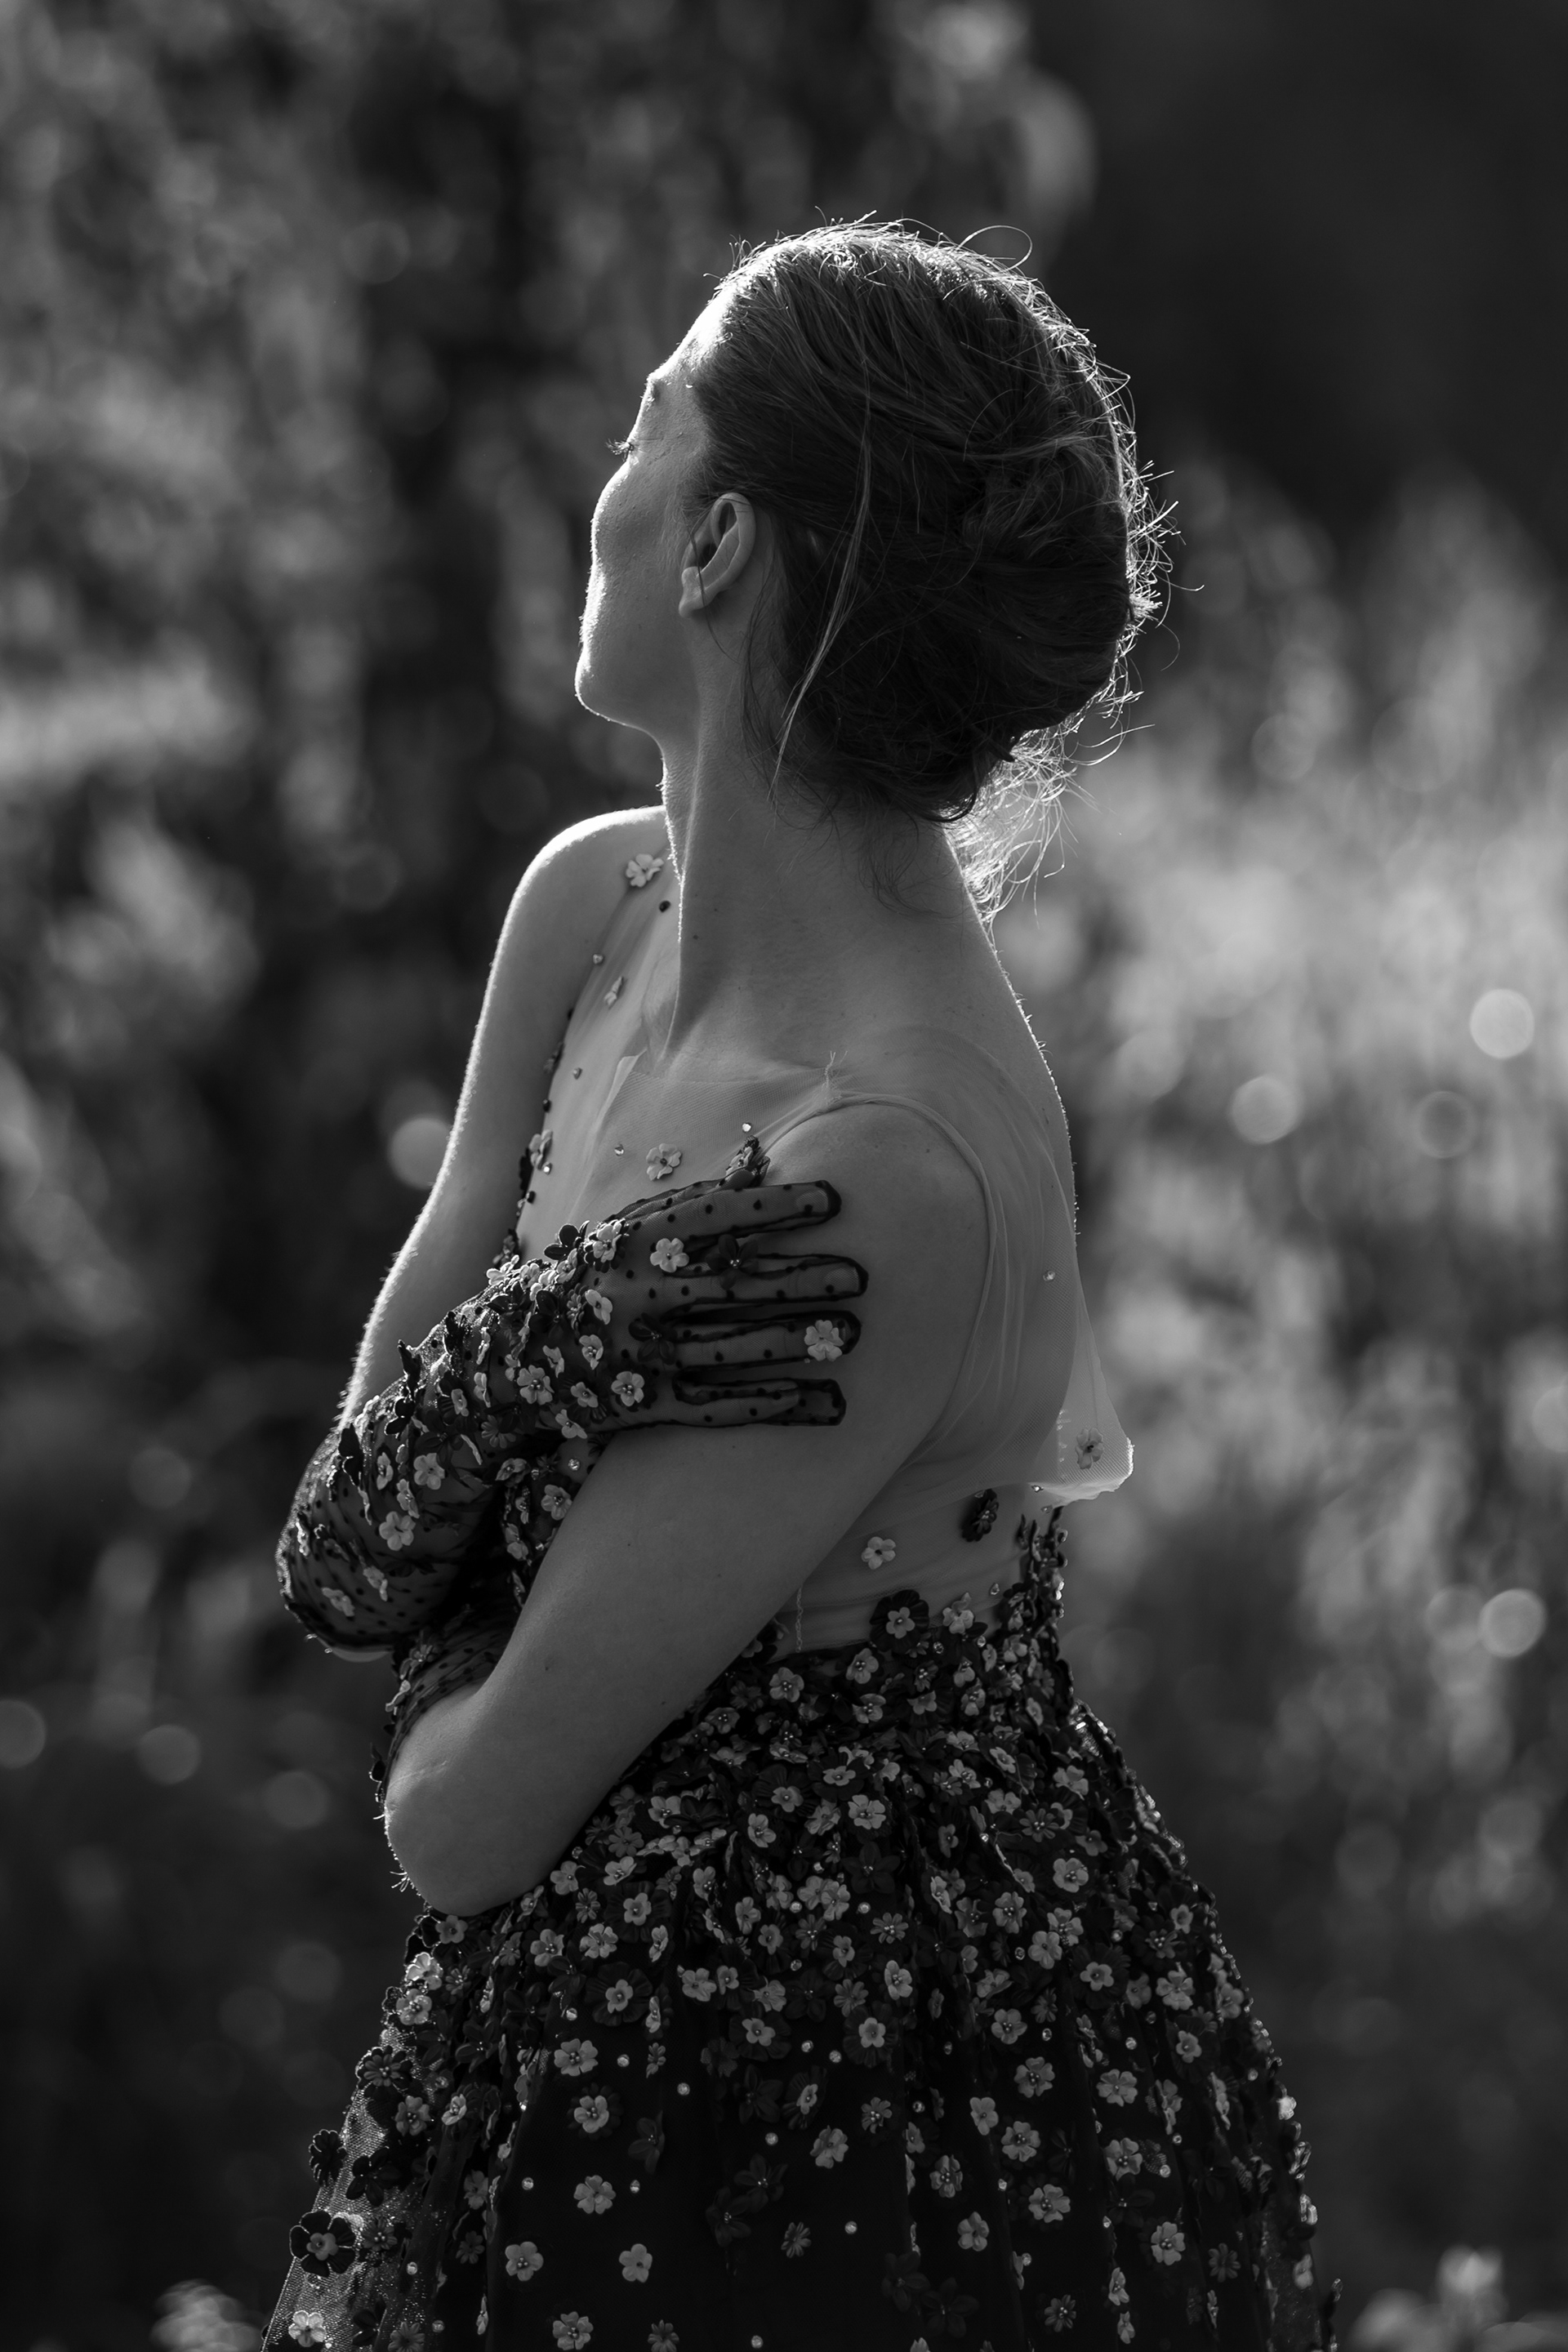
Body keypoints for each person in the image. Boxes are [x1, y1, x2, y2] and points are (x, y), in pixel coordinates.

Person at [264, 225, 1330, 2352]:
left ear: (717, 543)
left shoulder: (884, 1165)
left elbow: (468, 1814)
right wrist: (554, 1351)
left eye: (645, 421)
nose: (608, 477)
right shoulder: (594, 917)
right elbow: (355, 1548)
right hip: (592, 2034)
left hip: (856, 2093)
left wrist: (464, 1534)